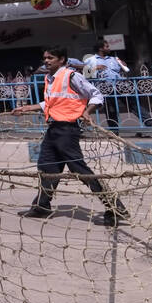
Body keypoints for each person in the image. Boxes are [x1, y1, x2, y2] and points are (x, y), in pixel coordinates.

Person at [12, 46, 128, 226]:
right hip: (54, 129)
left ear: (62, 59)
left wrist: (87, 112)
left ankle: (115, 207)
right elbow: (55, 102)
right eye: (45, 57)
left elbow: (96, 95)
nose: (46, 61)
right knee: (46, 167)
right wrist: (28, 108)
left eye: (50, 57)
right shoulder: (50, 78)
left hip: (67, 130)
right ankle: (42, 206)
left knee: (80, 170)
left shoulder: (72, 76)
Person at [84, 38, 130, 130]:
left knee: (131, 104)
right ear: (101, 49)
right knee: (109, 109)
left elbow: (124, 70)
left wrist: (123, 66)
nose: (109, 48)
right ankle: (114, 130)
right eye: (107, 46)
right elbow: (85, 73)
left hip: (118, 86)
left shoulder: (113, 59)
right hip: (103, 88)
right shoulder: (91, 60)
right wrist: (96, 68)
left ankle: (149, 122)